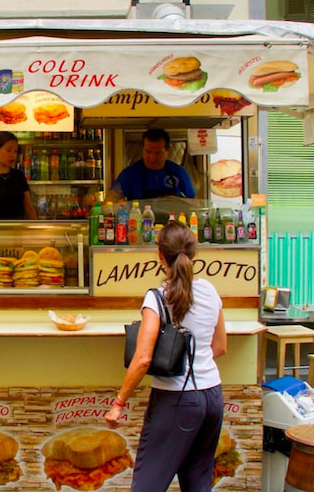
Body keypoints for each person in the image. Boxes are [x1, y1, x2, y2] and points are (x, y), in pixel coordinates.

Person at [105, 221, 227, 492]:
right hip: (212, 397)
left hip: (176, 399)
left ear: (160, 255)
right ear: (194, 252)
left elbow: (143, 358)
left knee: (147, 485)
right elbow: (219, 347)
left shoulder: (157, 299)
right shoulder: (210, 291)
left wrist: (119, 402)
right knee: (198, 483)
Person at [106, 128, 196, 202]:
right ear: (143, 149)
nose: (152, 158)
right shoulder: (130, 173)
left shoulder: (179, 173)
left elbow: (192, 201)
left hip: (173, 222)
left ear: (168, 151)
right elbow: (112, 196)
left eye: (157, 153)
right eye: (148, 152)